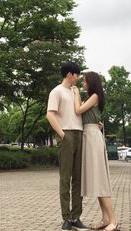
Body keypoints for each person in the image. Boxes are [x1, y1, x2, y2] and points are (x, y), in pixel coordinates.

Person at [73, 71, 121, 231]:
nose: (82, 84)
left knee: (100, 181)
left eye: (85, 81)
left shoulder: (94, 96)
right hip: (90, 135)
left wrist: (75, 93)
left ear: (91, 82)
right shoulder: (92, 97)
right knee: (97, 181)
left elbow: (78, 110)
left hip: (92, 137)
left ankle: (113, 221)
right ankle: (106, 218)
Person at [46, 62, 88, 231]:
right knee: (65, 178)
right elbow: (50, 114)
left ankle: (76, 217)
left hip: (80, 134)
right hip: (67, 134)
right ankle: (66, 218)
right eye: (77, 74)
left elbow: (80, 111)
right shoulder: (57, 91)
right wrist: (61, 133)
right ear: (70, 74)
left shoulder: (75, 92)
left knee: (78, 178)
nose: (78, 77)